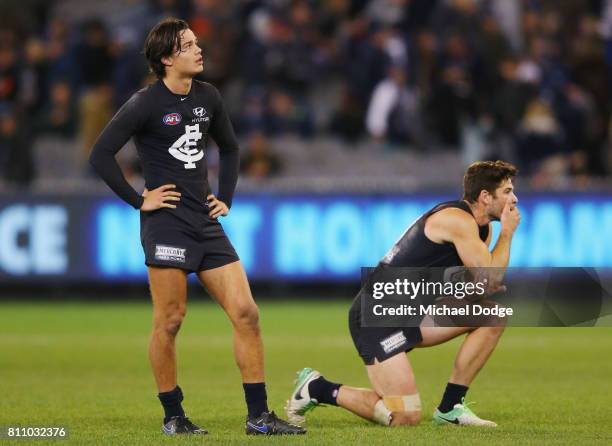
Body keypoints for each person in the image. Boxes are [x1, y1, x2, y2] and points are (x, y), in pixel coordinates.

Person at [89, 18, 304, 436]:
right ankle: (174, 416)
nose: (198, 49)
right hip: (166, 224)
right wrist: (140, 200)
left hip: (205, 223)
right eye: (188, 45)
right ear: (167, 59)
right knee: (169, 321)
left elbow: (231, 146)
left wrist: (226, 197)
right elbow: (100, 154)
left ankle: (258, 416)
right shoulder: (144, 103)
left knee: (246, 313)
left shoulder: (208, 96)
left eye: (196, 42)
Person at [286, 160, 521, 428]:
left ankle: (450, 407)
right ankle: (318, 388)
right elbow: (489, 276)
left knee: (493, 315)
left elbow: (478, 281)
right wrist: (508, 234)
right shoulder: (457, 220)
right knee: (404, 417)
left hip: (414, 313)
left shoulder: (482, 227)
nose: (514, 198)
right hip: (378, 316)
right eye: (507, 191)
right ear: (485, 196)